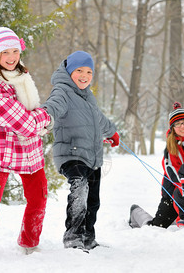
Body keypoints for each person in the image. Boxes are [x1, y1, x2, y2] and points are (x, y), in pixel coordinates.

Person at [0, 27, 52, 260]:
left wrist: (37, 120)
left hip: (27, 149)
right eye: (5, 52)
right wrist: (46, 118)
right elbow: (25, 122)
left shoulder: (21, 76)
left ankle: (30, 243)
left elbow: (28, 116)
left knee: (38, 195)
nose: (12, 57)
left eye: (15, 50)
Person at [41, 50, 119, 251]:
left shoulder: (87, 96)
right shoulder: (62, 91)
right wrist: (44, 116)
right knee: (80, 189)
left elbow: (98, 119)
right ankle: (73, 237)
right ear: (69, 72)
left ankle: (88, 238)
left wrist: (112, 132)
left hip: (92, 157)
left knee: (93, 200)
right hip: (71, 153)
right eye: (79, 71)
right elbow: (53, 106)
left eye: (89, 72)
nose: (84, 76)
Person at [129, 102, 184, 228]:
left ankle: (176, 218)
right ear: (173, 128)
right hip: (173, 192)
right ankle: (135, 212)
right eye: (178, 124)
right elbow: (172, 171)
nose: (182, 126)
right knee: (156, 227)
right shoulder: (171, 147)